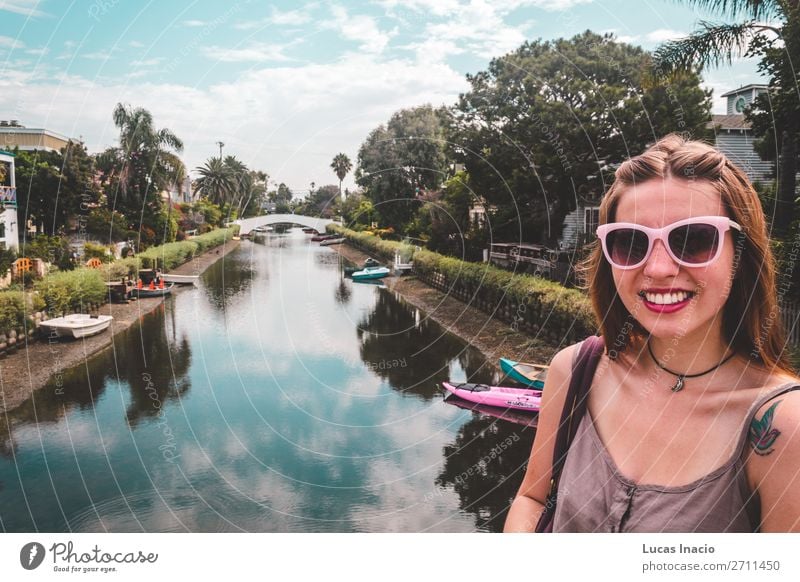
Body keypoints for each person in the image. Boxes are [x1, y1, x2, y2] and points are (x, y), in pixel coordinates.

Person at [504, 134, 800, 533]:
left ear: (741, 252)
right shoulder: (576, 370)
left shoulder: (783, 428)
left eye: (693, 239)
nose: (658, 268)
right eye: (629, 242)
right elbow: (533, 497)